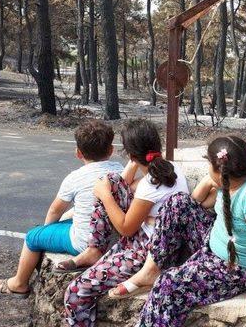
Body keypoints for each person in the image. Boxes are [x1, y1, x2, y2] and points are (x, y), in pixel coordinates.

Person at [126, 136, 246, 327]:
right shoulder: (227, 183)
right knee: (178, 201)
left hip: (235, 268)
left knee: (168, 286)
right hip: (213, 246)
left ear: (220, 169)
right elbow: (194, 201)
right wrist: (208, 181)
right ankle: (152, 268)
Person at [63, 119, 189, 327]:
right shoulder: (172, 169)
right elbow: (122, 183)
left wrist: (105, 196)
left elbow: (125, 228)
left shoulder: (149, 185)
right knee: (111, 180)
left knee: (76, 291)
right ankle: (95, 250)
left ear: (130, 155)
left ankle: (95, 249)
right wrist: (131, 164)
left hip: (149, 251)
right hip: (155, 240)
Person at [0, 120, 122, 298]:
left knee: (32, 237)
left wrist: (47, 230)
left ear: (78, 153)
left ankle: (19, 283)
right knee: (73, 214)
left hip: (85, 244)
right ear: (111, 150)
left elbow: (55, 210)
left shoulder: (75, 178)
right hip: (115, 239)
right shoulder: (121, 170)